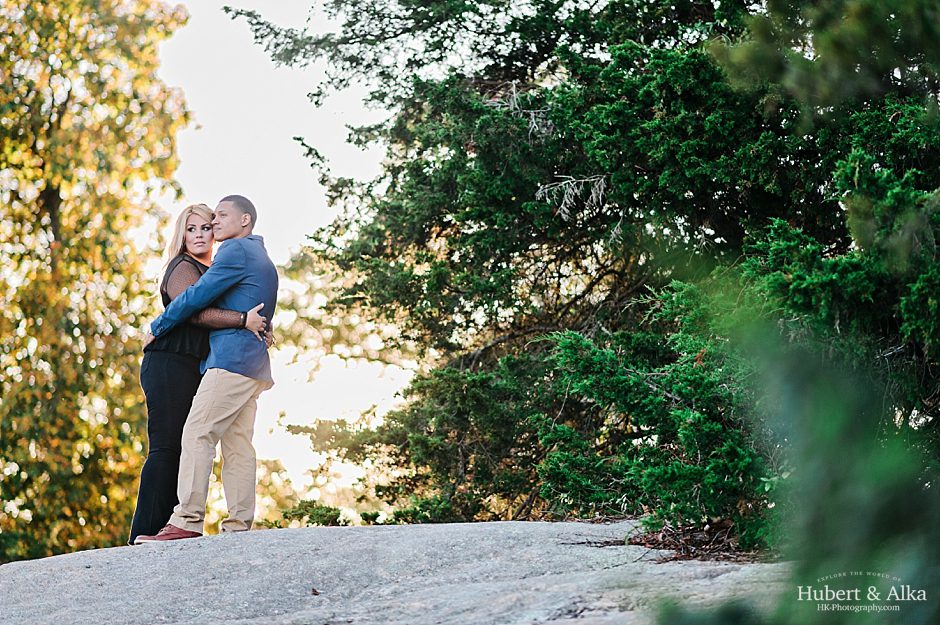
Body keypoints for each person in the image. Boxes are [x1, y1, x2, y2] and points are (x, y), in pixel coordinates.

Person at [135, 194, 278, 542]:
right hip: (250, 365)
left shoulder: (233, 252)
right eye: (196, 227)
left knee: (197, 434)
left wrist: (157, 325)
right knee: (238, 444)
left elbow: (196, 301)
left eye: (217, 219)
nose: (211, 227)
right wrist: (248, 319)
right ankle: (238, 525)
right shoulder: (257, 255)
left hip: (229, 362)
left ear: (244, 221)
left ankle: (186, 519)